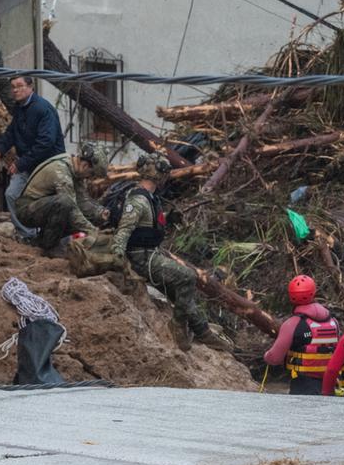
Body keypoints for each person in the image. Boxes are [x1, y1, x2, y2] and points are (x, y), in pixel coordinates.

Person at [111, 153, 232, 352]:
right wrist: (118, 259)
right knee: (187, 277)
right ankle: (177, 326)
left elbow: (146, 223)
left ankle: (202, 331)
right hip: (141, 257)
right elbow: (124, 229)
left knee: (180, 292)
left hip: (151, 253)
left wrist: (168, 218)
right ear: (158, 175)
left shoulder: (149, 197)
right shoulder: (138, 200)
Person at [0, 76, 65, 238]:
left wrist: (21, 163)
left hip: (48, 166)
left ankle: (57, 239)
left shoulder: (42, 109)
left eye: (20, 86)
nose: (15, 90)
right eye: (13, 87)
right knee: (12, 194)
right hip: (28, 164)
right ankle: (28, 235)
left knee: (52, 202)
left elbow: (46, 142)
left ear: (31, 87)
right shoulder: (20, 108)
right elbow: (11, 133)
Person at [14, 142, 108, 255]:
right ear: (85, 166)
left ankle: (41, 241)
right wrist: (92, 231)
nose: (89, 179)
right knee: (65, 203)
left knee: (93, 214)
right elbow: (71, 208)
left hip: (44, 206)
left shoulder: (75, 171)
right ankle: (49, 246)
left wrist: (99, 213)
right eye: (91, 175)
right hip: (26, 209)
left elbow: (83, 201)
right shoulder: (61, 170)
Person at [263, 275, 340, 394]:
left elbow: (274, 358)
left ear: (291, 296)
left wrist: (267, 356)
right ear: (314, 292)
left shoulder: (292, 324)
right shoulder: (334, 322)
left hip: (303, 386)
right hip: (329, 386)